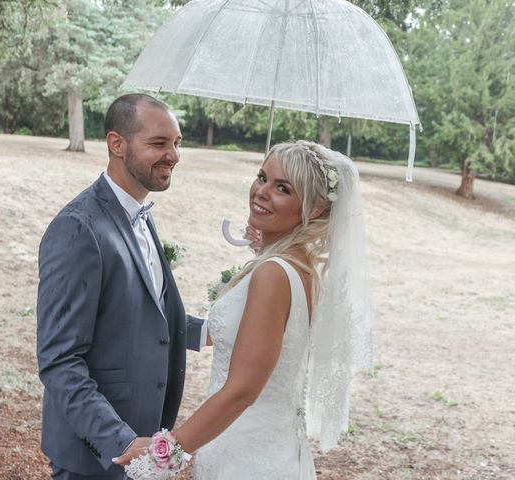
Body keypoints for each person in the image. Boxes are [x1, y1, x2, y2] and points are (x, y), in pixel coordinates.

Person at [113, 140, 372, 479]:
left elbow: (242, 391)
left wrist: (165, 454)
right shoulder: (302, 268)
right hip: (260, 445)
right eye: (262, 177)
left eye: (283, 188)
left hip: (247, 458)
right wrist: (265, 245)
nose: (261, 192)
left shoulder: (273, 274)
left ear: (316, 208)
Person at [36, 93, 205, 480]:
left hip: (143, 440)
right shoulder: (78, 228)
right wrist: (121, 441)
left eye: (176, 143)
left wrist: (208, 330)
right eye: (159, 143)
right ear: (117, 144)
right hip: (95, 456)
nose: (174, 155)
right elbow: (59, 360)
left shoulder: (140, 214)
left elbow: (137, 312)